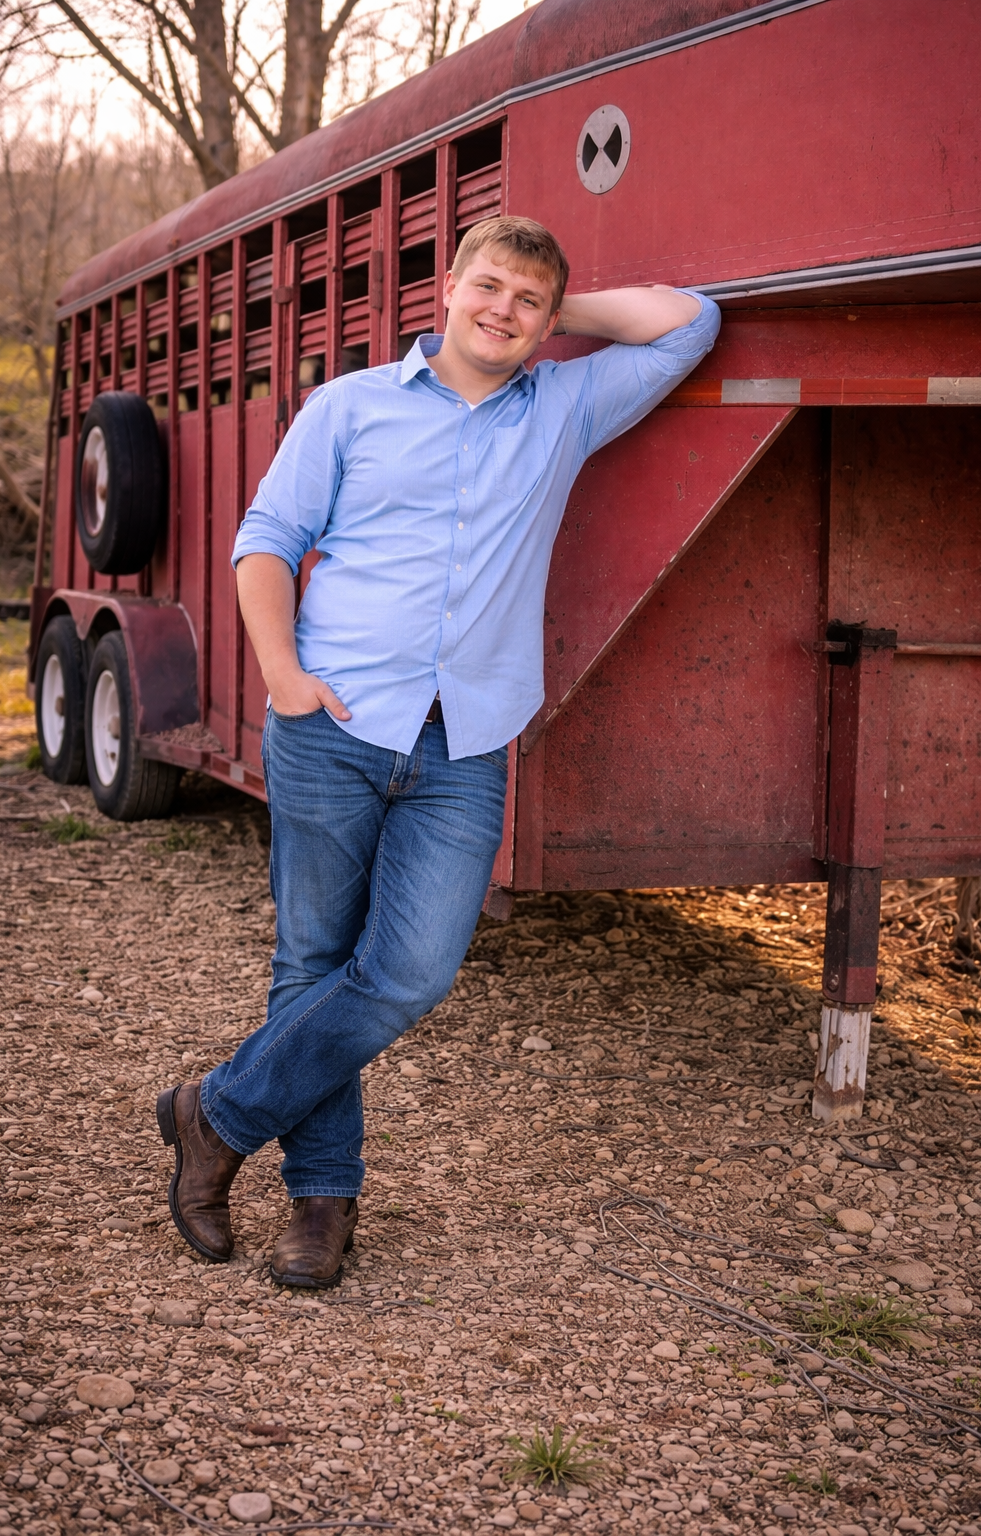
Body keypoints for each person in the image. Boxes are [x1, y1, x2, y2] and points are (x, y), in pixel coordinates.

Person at [157, 215, 720, 1287]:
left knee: (410, 972)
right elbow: (266, 541)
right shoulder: (350, 405)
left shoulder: (563, 407)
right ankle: (323, 1201)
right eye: (487, 286)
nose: (502, 311)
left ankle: (213, 1118)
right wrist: (283, 673)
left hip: (463, 744)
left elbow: (691, 324)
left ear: (548, 322)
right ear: (447, 287)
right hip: (332, 725)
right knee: (313, 962)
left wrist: (556, 309)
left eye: (528, 302)